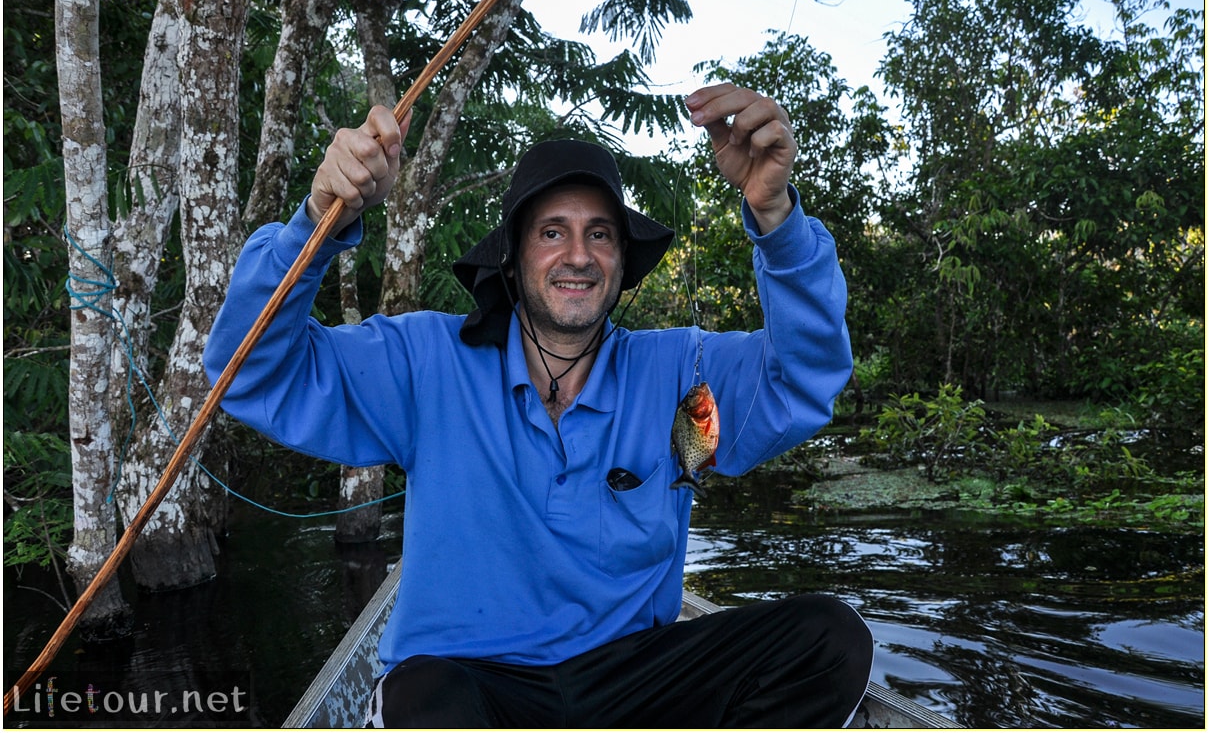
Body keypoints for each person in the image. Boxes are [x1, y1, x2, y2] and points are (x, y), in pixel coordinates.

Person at [205, 83, 873, 727]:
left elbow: (802, 380)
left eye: (600, 234)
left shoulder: (680, 369)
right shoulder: (426, 360)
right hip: (471, 685)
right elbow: (254, 373)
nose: (577, 255)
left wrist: (774, 213)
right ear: (514, 257)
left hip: (631, 679)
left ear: (620, 260)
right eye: (552, 232)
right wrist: (323, 215)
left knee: (828, 638)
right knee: (421, 696)